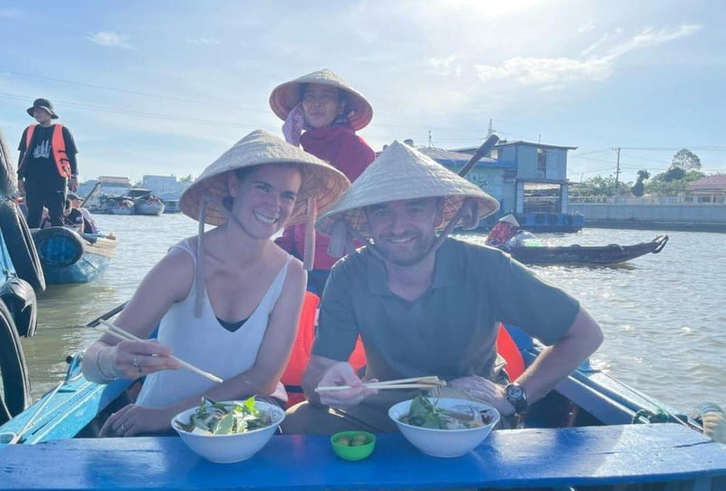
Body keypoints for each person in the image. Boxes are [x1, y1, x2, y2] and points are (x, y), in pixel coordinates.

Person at [282, 140, 604, 434]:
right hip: (383, 406)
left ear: (439, 212)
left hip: (470, 407)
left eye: (415, 208)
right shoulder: (349, 274)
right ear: (365, 219)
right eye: (382, 211)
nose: (397, 227)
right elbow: (317, 377)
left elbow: (585, 334)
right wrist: (327, 388)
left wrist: (514, 396)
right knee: (297, 422)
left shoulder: (487, 267)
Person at [81, 130, 349, 437]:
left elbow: (264, 377)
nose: (275, 205)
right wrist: (112, 360)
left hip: (241, 427)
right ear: (235, 186)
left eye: (287, 195)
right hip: (156, 424)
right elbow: (94, 358)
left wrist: (170, 416)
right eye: (263, 188)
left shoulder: (292, 274)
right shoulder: (184, 263)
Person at [270, 69, 375, 294]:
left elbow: (361, 214)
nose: (317, 103)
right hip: (300, 257)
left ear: (340, 106)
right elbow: (293, 207)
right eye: (310, 98)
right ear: (301, 107)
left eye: (325, 97)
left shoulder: (358, 149)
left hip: (340, 259)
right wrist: (284, 246)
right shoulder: (297, 148)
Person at [16, 98, 79, 230]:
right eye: (35, 111)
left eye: (41, 111)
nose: (37, 114)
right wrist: (20, 178)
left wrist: (74, 176)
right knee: (33, 215)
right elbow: (22, 156)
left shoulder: (62, 130)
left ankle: (57, 242)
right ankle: (32, 243)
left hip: (56, 179)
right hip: (33, 179)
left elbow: (71, 154)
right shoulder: (29, 131)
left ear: (49, 113)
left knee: (56, 214)